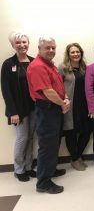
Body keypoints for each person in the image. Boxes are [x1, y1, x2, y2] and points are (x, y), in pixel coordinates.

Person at [27, 36, 70, 194]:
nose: (51, 50)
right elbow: (48, 92)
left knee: (54, 143)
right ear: (39, 48)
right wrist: (63, 103)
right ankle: (43, 182)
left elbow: (57, 86)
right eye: (48, 48)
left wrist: (64, 98)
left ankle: (50, 171)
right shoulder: (38, 66)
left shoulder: (50, 64)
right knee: (47, 146)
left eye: (53, 47)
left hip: (54, 108)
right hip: (46, 110)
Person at [1, 32, 36, 182]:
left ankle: (28, 167)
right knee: (22, 138)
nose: (22, 45)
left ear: (28, 43)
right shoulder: (8, 64)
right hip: (18, 110)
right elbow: (6, 90)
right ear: (13, 45)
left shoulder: (34, 62)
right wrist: (13, 112)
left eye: (24, 42)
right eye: (18, 43)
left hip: (34, 107)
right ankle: (19, 169)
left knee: (31, 137)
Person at [58, 43, 91, 171]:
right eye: (73, 52)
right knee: (71, 132)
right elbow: (58, 86)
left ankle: (76, 157)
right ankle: (75, 159)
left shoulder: (84, 68)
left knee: (86, 132)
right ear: (68, 54)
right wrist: (64, 99)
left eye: (78, 52)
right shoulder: (62, 68)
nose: (76, 54)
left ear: (81, 53)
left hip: (84, 105)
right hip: (70, 106)